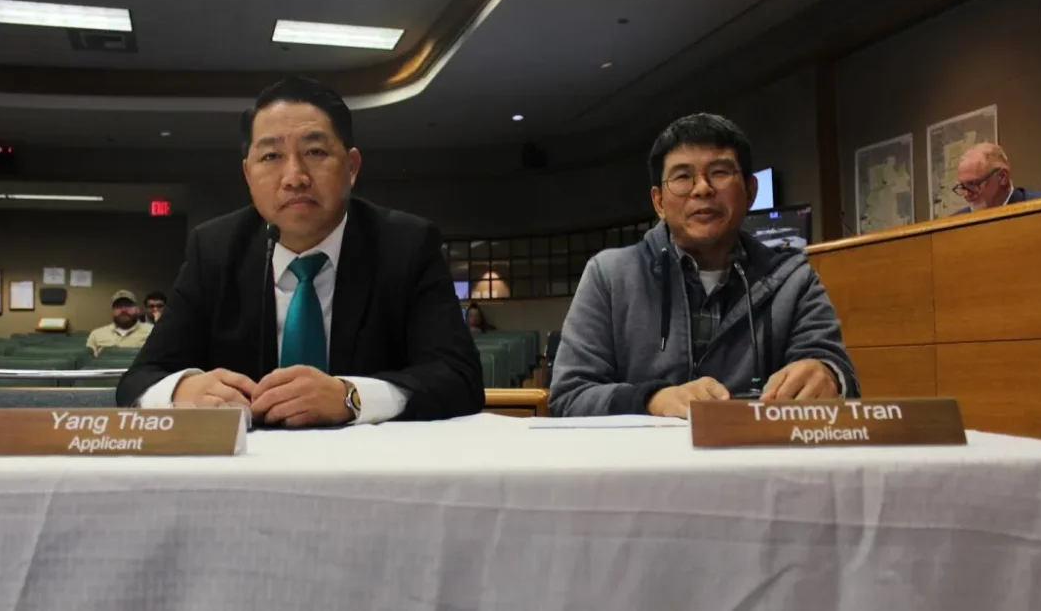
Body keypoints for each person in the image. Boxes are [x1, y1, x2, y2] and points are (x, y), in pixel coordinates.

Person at [118, 76, 483, 426]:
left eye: (315, 151)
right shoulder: (214, 249)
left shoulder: (405, 244)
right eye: (271, 157)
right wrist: (184, 389)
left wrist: (351, 397)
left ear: (352, 167)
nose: (294, 176)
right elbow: (139, 381)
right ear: (248, 175)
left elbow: (459, 378)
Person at [550, 113, 859, 418]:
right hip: (645, 465)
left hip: (755, 465)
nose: (702, 189)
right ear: (659, 202)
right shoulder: (609, 276)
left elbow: (840, 375)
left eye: (721, 172)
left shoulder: (794, 280)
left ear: (751, 192)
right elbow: (570, 396)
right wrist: (652, 399)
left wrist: (827, 375)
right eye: (683, 176)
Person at [951, 143, 1041, 214]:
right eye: (962, 187)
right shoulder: (956, 222)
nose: (967, 194)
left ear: (1002, 177)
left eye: (973, 184)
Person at [86, 290, 154, 356]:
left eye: (128, 305)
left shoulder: (153, 331)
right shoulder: (96, 334)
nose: (124, 310)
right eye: (118, 306)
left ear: (137, 309)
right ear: (112, 311)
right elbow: (88, 361)